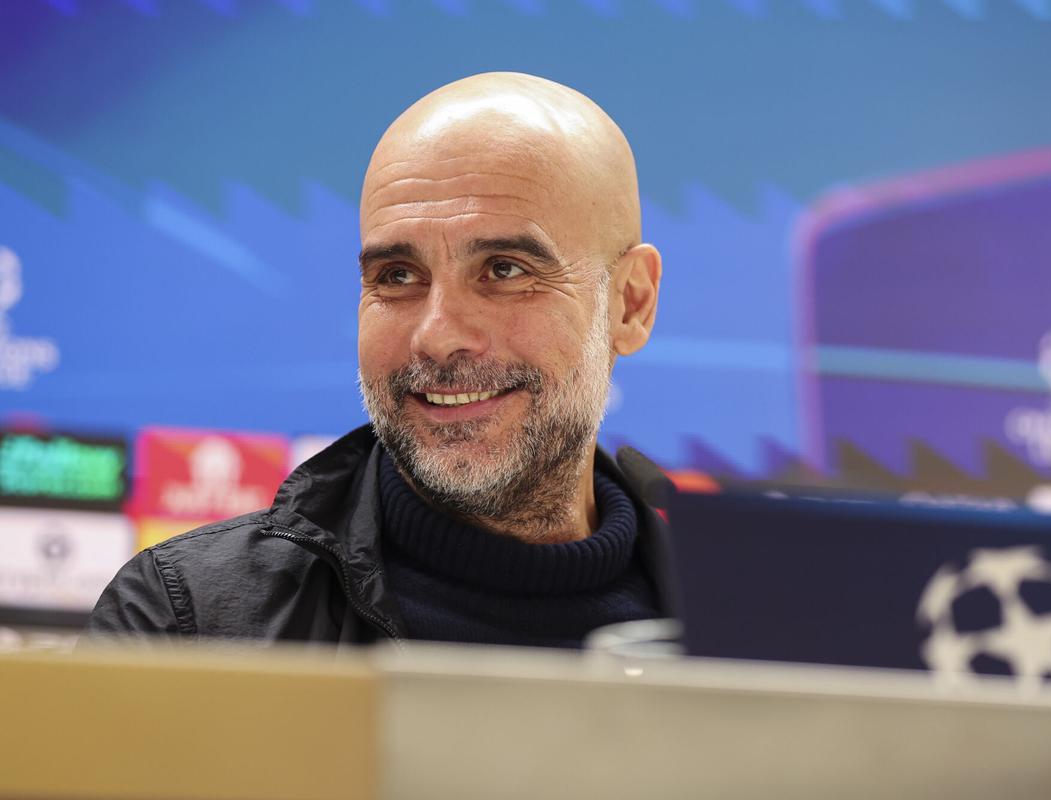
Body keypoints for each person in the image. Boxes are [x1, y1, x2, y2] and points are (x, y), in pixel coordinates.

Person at [86, 72, 670, 647]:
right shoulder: (186, 626)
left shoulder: (753, 626)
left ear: (630, 304)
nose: (437, 336)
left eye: (505, 269)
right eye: (398, 276)